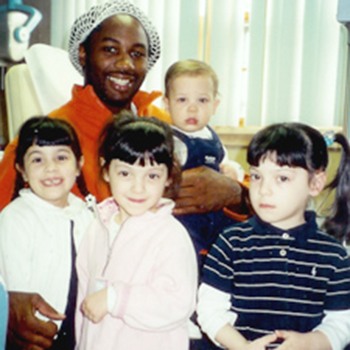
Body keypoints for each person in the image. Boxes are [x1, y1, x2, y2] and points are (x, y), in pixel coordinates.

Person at [0, 2, 243, 348]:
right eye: (110, 50)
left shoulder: (164, 121)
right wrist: (4, 303)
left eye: (138, 53)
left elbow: (250, 192)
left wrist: (235, 191)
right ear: (83, 55)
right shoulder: (51, 143)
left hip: (192, 293)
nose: (126, 64)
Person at [197, 122, 350, 350]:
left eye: (282, 178)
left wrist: (310, 343)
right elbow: (209, 310)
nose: (263, 190)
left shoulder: (335, 257)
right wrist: (242, 346)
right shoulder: (231, 242)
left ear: (315, 183)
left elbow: (342, 323)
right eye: (257, 176)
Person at [75, 113, 197, 350]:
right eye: (125, 173)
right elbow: (86, 301)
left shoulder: (170, 236)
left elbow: (177, 303)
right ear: (106, 170)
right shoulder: (96, 227)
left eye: (152, 176)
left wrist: (116, 299)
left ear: (168, 178)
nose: (138, 187)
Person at [163, 58, 245, 348]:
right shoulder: (170, 140)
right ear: (167, 103)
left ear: (216, 104)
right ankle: (184, 312)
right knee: (184, 266)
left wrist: (232, 171)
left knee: (221, 262)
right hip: (184, 219)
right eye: (182, 100)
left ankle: (219, 312)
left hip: (215, 218)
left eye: (202, 100)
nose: (193, 108)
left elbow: (223, 164)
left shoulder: (213, 137)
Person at [0, 116, 94, 349]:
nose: (50, 168)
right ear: (22, 170)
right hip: (36, 335)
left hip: (80, 332)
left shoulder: (88, 214)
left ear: (79, 165)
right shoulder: (15, 218)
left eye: (61, 157)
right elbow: (15, 292)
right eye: (37, 160)